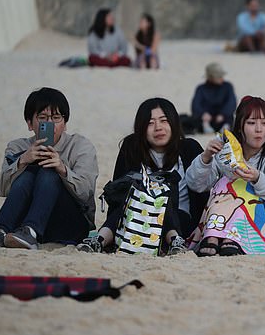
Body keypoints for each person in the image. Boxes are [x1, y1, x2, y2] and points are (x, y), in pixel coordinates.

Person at [77, 98, 208, 255]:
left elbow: (204, 190)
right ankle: (98, 240)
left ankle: (175, 240)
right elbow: (119, 193)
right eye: (150, 123)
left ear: (173, 123)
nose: (158, 128)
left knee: (163, 198)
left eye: (164, 121)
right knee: (129, 200)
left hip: (181, 220)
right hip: (137, 219)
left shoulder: (189, 148)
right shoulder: (132, 148)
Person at [0, 88, 98, 250]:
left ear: (65, 124)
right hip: (21, 223)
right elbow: (2, 189)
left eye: (56, 118)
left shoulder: (80, 146)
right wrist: (22, 161)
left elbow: (86, 193)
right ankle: (1, 231)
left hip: (69, 223)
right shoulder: (17, 147)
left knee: (48, 170)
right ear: (30, 123)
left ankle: (30, 231)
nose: (50, 123)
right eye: (42, 118)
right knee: (28, 174)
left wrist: (62, 169)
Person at [185, 96, 265, 256]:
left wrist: (257, 178)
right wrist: (205, 158)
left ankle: (228, 238)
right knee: (226, 182)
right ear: (240, 126)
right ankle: (213, 236)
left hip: (260, 220)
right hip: (220, 216)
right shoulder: (226, 151)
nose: (259, 129)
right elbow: (195, 185)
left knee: (239, 184)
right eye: (252, 123)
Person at [190, 63, 237, 134]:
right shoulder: (201, 88)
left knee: (230, 117)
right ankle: (205, 126)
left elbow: (232, 102)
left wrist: (223, 114)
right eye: (219, 76)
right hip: (206, 118)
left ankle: (225, 127)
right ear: (211, 77)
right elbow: (195, 105)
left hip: (223, 118)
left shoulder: (228, 86)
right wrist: (203, 114)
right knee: (195, 119)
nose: (222, 78)